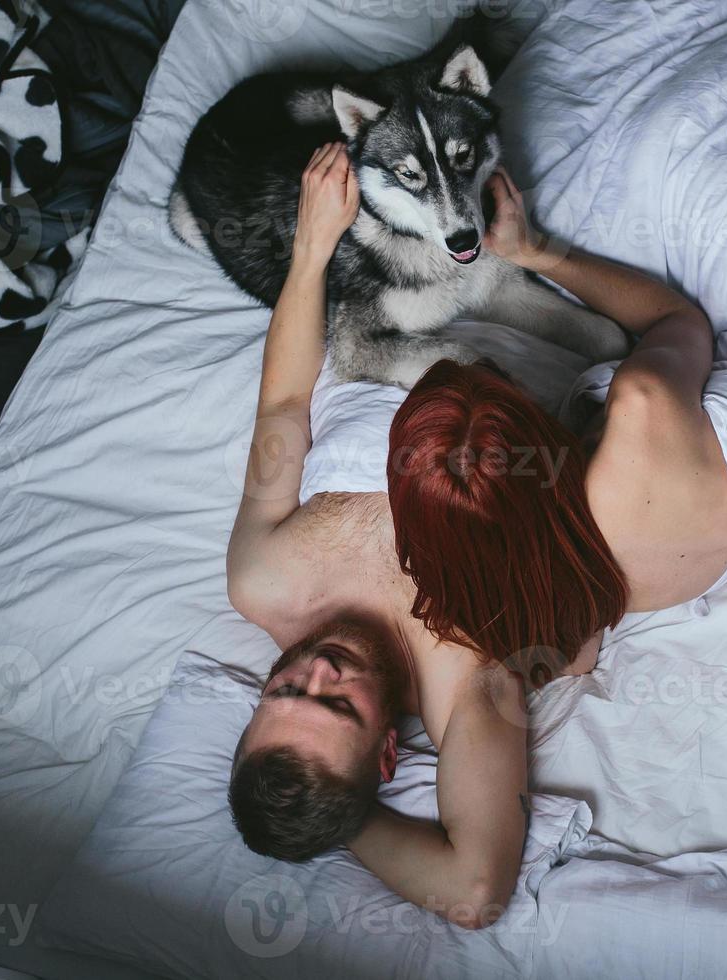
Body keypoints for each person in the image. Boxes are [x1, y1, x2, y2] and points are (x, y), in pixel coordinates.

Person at [225, 144, 534, 931]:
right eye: (336, 707)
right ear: (387, 756)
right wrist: (339, 819)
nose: (317, 671)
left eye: (283, 690)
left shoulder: (264, 581)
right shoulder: (456, 677)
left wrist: (312, 247)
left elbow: (285, 410)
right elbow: (473, 893)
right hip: (511, 338)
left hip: (380, 331)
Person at [387, 168, 727, 677]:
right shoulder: (641, 407)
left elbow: (574, 663)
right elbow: (677, 321)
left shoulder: (522, 600)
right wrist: (535, 252)